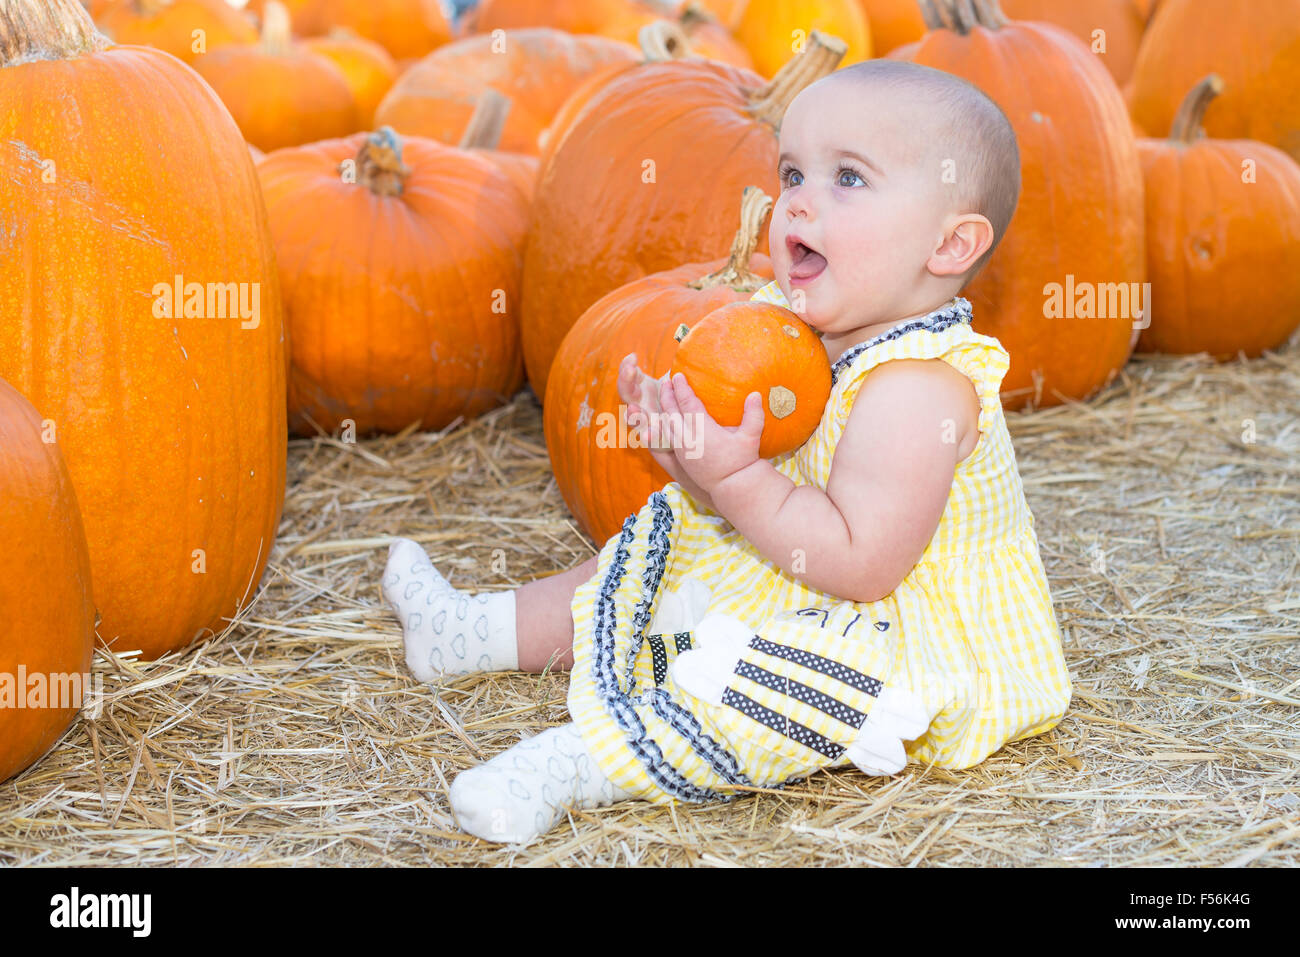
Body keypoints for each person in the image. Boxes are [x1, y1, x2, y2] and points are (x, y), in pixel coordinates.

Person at [382, 59, 1072, 844]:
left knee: (789, 686)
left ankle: (575, 766)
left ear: (950, 244)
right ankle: (473, 631)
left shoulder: (920, 390)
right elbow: (770, 503)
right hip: (804, 564)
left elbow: (861, 563)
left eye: (849, 178)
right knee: (667, 538)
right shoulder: (796, 334)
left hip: (900, 630)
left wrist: (738, 479)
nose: (798, 201)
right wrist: (693, 462)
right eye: (792, 172)